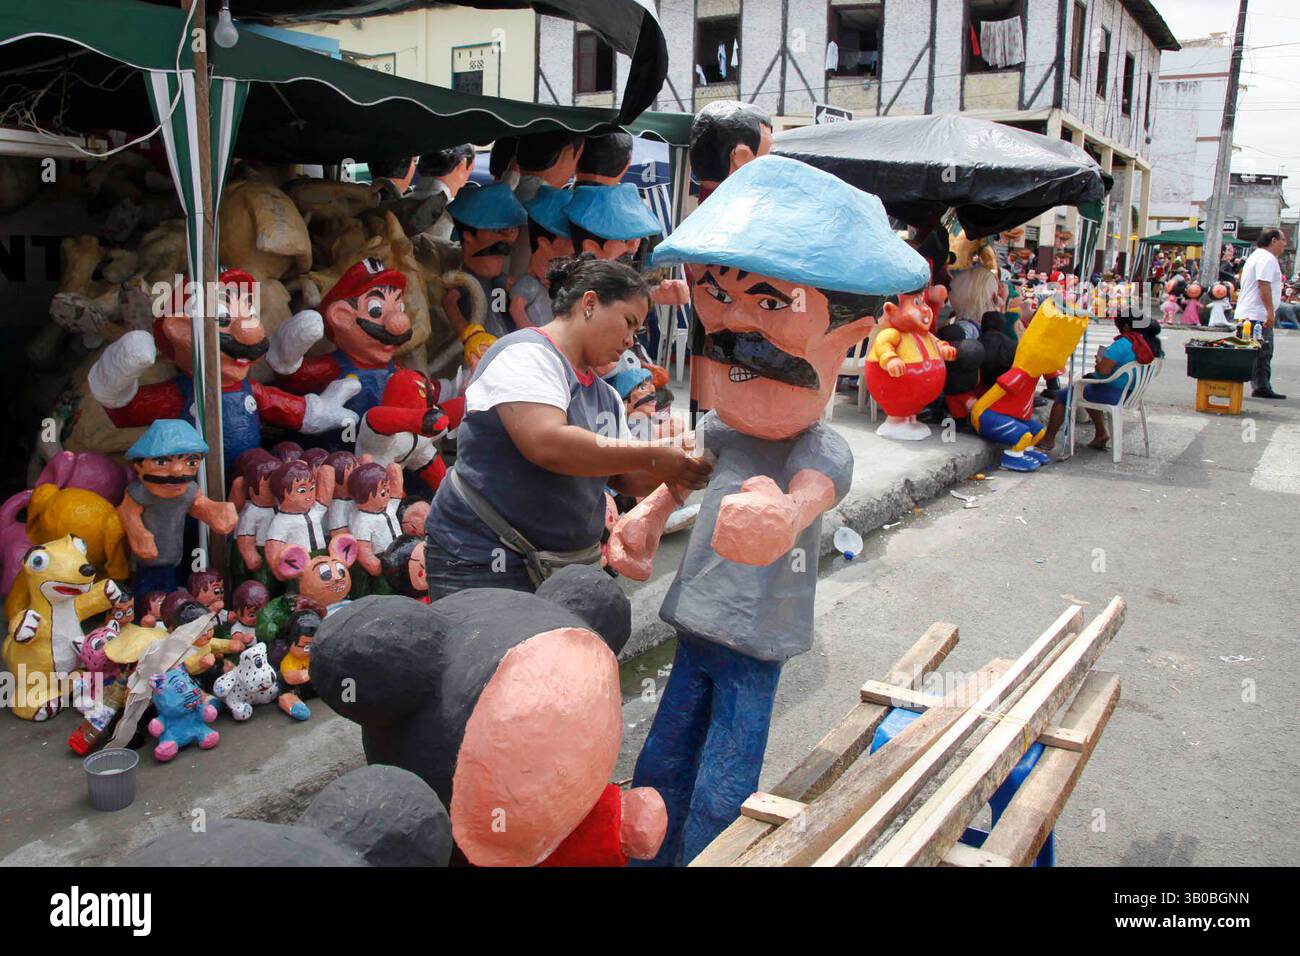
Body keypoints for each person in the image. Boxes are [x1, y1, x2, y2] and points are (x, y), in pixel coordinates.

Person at [422, 256, 712, 600]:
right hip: (482, 556)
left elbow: (625, 478)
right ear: (589, 303)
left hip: (560, 565)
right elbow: (548, 443)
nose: (630, 341)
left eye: (637, 332)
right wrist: (654, 455)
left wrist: (685, 463)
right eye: (628, 322)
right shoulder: (525, 355)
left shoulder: (605, 395)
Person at [1040, 314, 1156, 452]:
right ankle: (1101, 433)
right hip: (1132, 393)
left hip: (1114, 393)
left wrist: (1099, 362)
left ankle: (1048, 440)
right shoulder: (1147, 343)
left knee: (1064, 395)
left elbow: (1103, 371)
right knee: (1087, 388)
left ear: (1126, 326)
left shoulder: (1123, 344)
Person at [1239, 228, 1287, 399]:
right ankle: (1261, 386)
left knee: (1254, 352)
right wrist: (1270, 312)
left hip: (1250, 313)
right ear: (1273, 240)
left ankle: (1259, 384)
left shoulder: (1257, 256)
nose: (1285, 244)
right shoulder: (1267, 258)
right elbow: (1263, 284)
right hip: (1257, 315)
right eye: (1283, 240)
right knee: (1263, 351)